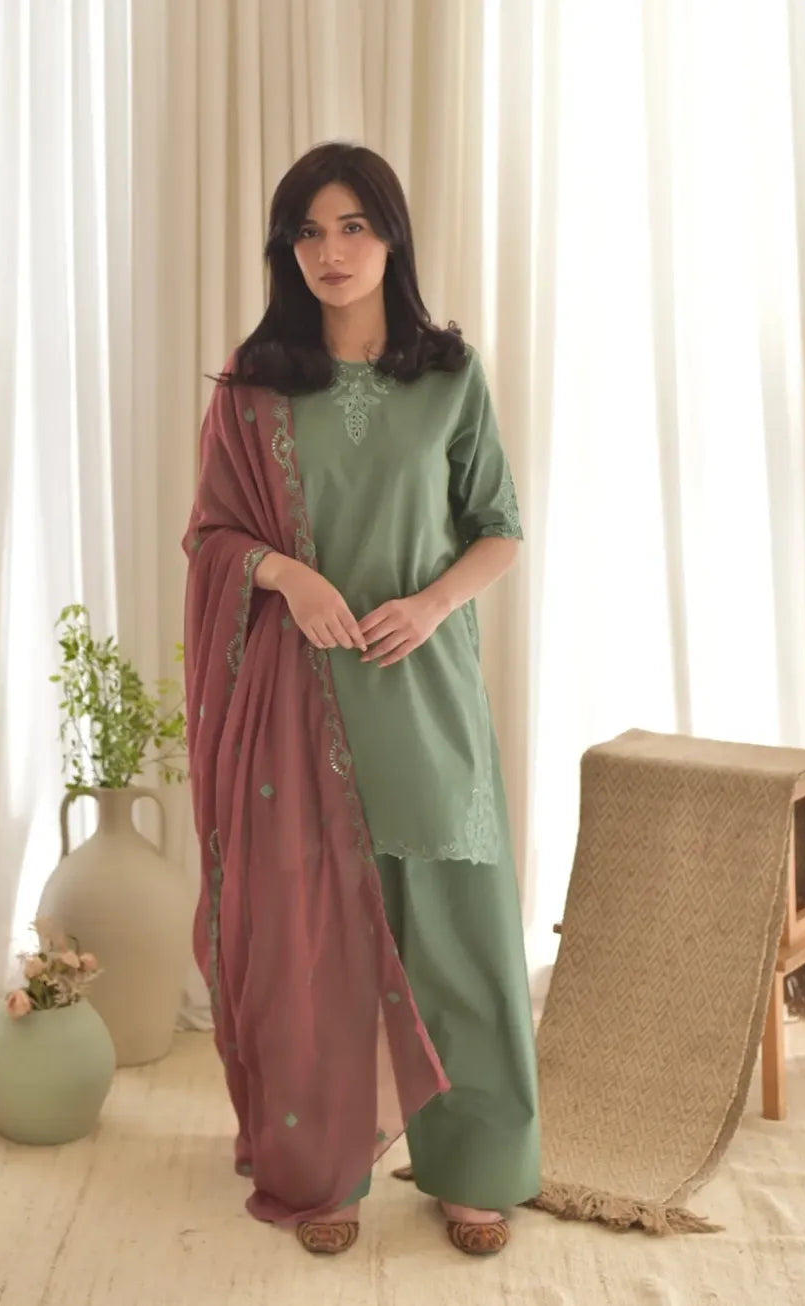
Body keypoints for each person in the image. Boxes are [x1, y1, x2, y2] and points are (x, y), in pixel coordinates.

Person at [183, 142, 539, 1258]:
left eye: (352, 226)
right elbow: (212, 535)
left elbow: (498, 528)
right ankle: (323, 1163)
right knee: (313, 945)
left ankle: (473, 1163)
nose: (329, 251)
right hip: (298, 705)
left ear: (391, 236)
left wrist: (431, 606)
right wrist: (285, 577)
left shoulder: (449, 374)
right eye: (307, 231)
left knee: (457, 933)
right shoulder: (256, 383)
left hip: (422, 690)